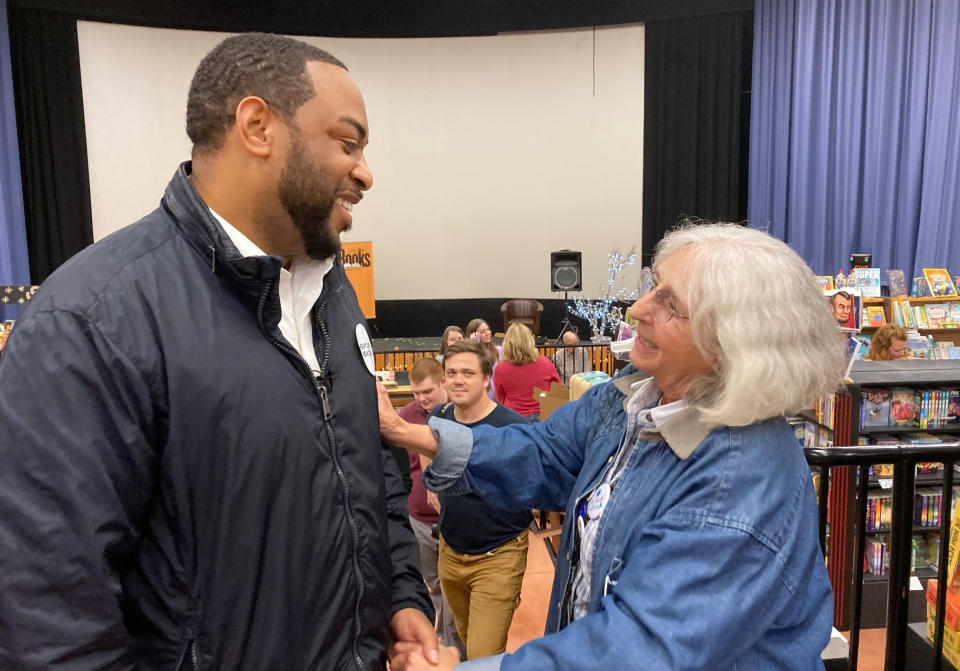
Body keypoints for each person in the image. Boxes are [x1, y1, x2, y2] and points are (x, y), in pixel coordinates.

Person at [0, 33, 437, 670]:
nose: (366, 172)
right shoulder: (92, 322)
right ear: (257, 126)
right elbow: (50, 618)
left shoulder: (332, 294)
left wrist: (400, 593)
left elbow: (373, 475)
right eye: (348, 143)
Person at [381, 222, 847, 671]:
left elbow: (641, 649)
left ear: (730, 341)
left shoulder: (740, 479)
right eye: (652, 285)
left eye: (669, 304)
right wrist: (410, 433)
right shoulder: (633, 391)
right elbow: (546, 451)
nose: (637, 309)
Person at [430, 339, 532, 661]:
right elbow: (430, 458)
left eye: (468, 373)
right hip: (450, 553)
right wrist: (434, 486)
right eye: (452, 372)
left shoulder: (511, 426)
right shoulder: (440, 416)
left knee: (481, 656)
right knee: (466, 642)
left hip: (497, 556)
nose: (458, 379)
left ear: (486, 378)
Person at [400, 358, 467, 659]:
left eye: (426, 391)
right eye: (415, 393)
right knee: (434, 585)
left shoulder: (462, 414)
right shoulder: (406, 417)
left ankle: (456, 648)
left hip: (456, 520)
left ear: (443, 383)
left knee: (455, 587)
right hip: (420, 520)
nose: (421, 399)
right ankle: (443, 643)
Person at [494, 323, 561, 419]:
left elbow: (500, 398)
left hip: (515, 417)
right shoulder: (545, 362)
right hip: (544, 415)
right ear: (530, 341)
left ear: (507, 343)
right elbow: (558, 388)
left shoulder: (501, 369)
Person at [465, 318, 501, 400]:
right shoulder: (471, 352)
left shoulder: (498, 350)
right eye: (482, 332)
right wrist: (474, 343)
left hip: (497, 395)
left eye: (488, 330)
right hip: (481, 395)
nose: (487, 333)